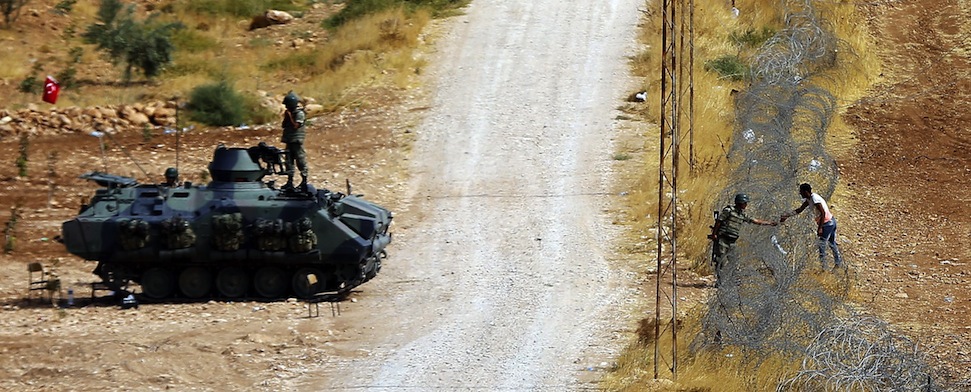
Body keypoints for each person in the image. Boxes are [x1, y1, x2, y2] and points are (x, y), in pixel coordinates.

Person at [708, 193, 778, 286]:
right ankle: (720, 282)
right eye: (745, 203)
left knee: (733, 261)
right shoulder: (729, 211)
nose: (746, 205)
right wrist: (714, 234)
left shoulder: (742, 214)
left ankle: (732, 280)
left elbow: (755, 221)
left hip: (732, 241)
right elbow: (719, 222)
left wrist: (769, 223)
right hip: (723, 239)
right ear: (740, 202)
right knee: (721, 261)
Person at [780, 183, 844, 269]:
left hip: (827, 224)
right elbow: (800, 210)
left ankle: (824, 268)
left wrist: (820, 228)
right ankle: (838, 263)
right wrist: (787, 215)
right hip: (831, 221)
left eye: (801, 192)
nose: (800, 193)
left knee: (822, 246)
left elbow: (823, 213)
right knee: (832, 243)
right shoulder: (809, 199)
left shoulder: (815, 199)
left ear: (806, 192)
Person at [281, 91, 308, 190]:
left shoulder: (299, 114)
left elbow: (296, 125)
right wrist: (286, 117)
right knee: (288, 162)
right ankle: (289, 181)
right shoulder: (289, 113)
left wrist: (290, 116)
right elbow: (284, 125)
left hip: (296, 141)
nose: (286, 107)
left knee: (300, 160)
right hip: (289, 140)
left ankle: (304, 181)